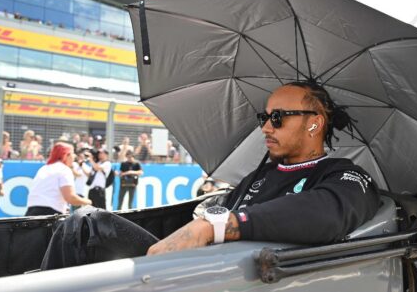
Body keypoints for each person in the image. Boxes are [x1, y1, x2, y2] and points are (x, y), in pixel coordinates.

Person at [147, 82, 380, 255]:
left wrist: (215, 228)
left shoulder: (345, 176)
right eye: (264, 117)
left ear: (314, 123)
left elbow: (328, 215)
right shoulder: (258, 176)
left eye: (278, 117)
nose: (266, 128)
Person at [25, 143, 92, 216]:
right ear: (66, 155)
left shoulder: (44, 168)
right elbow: (70, 198)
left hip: (30, 213)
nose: (74, 156)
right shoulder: (64, 169)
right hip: (49, 216)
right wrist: (88, 202)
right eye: (72, 153)